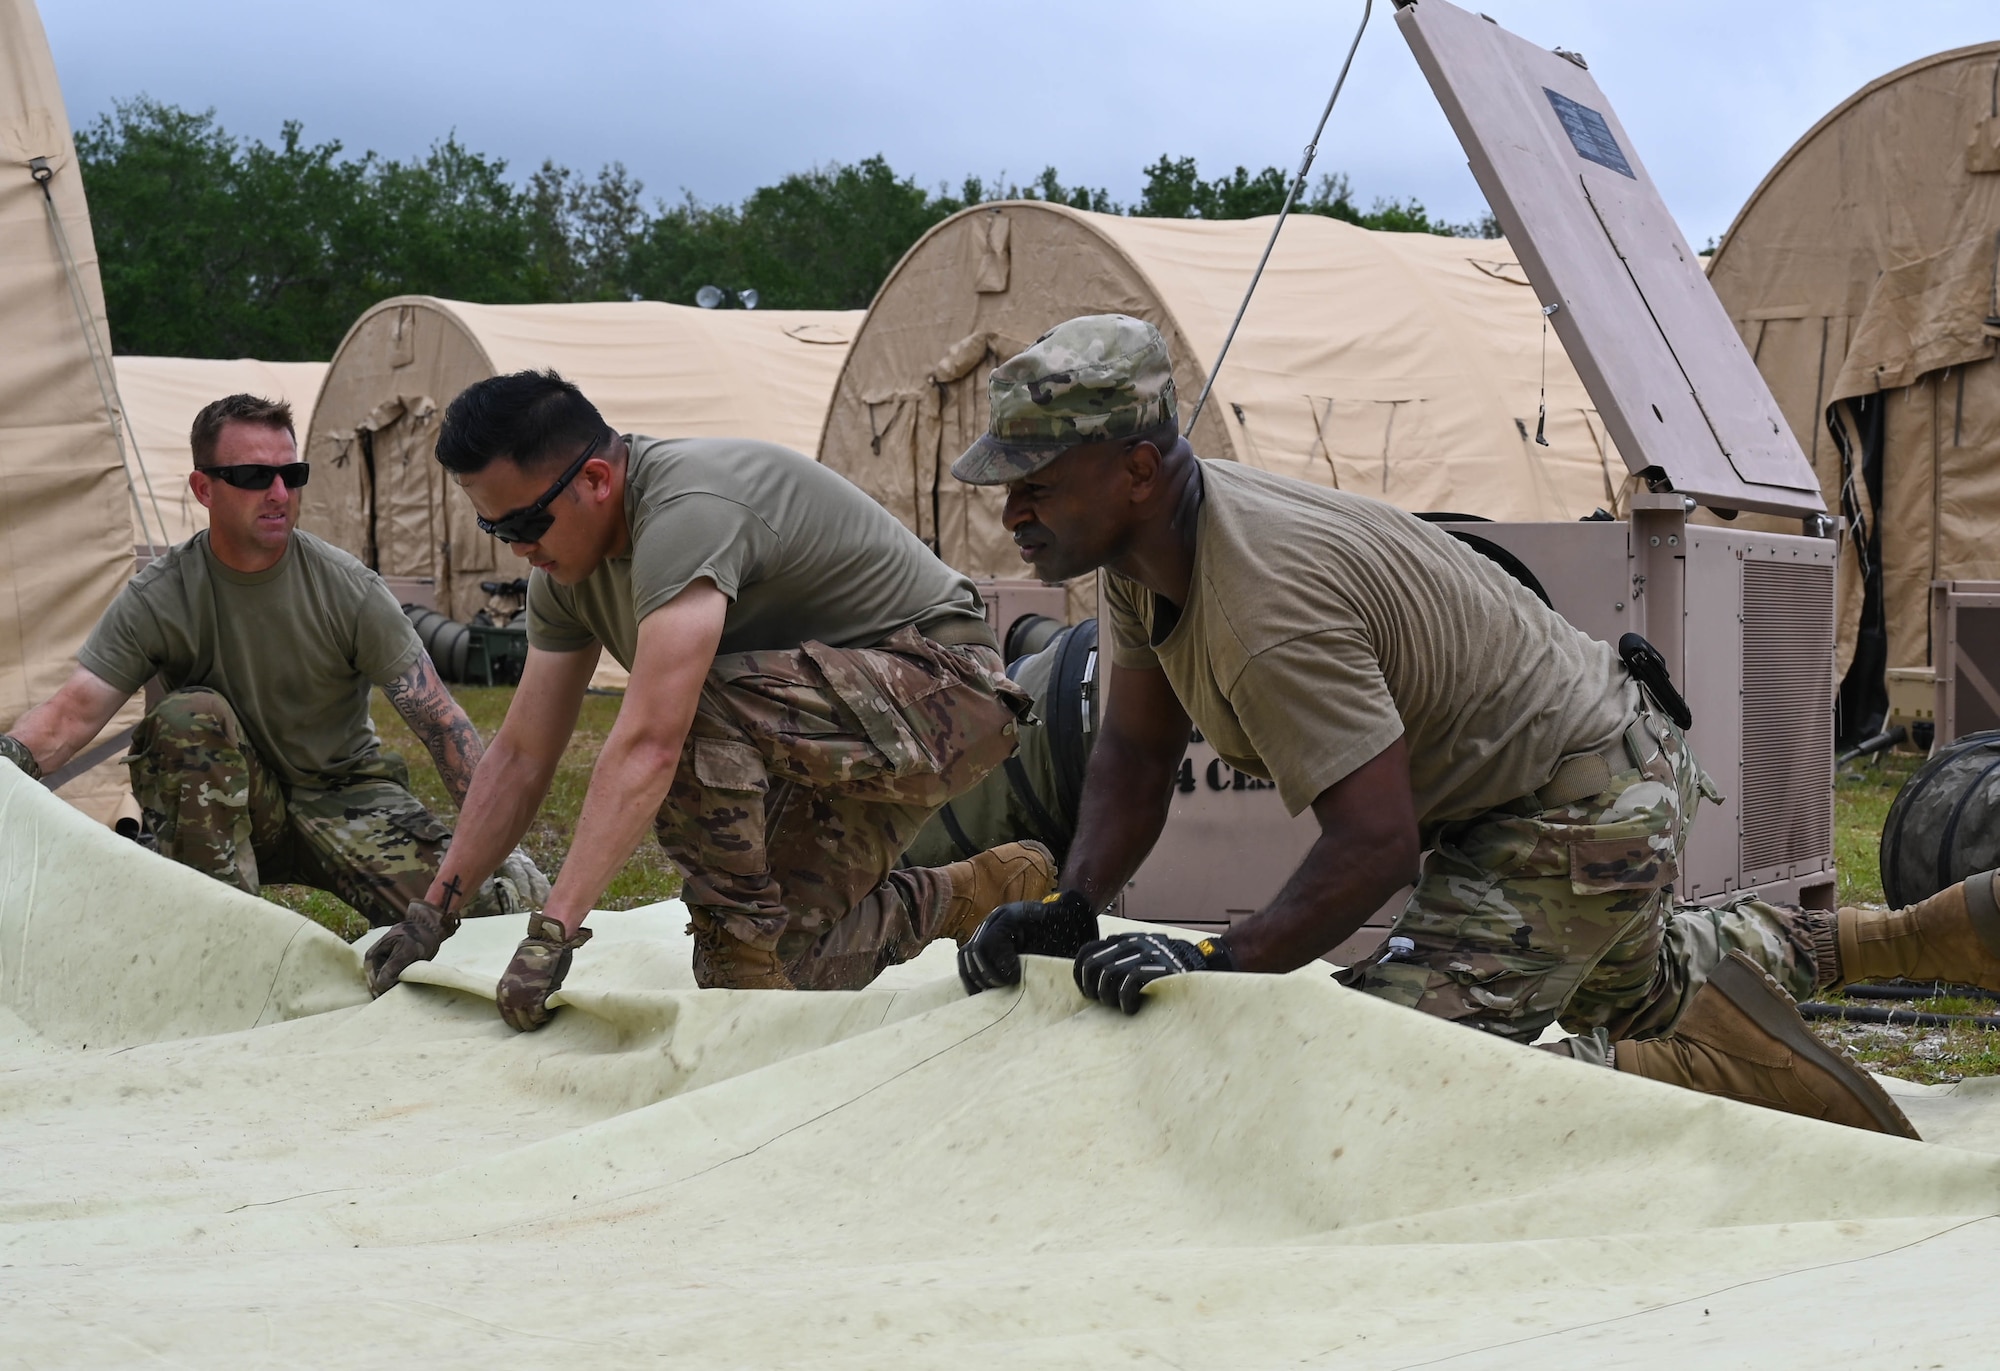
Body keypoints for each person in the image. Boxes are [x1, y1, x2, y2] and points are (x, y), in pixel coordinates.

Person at [951, 313, 2000, 1138]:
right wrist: (1073, 903)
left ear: (1135, 472)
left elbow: (1371, 846)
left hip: (1576, 802)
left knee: (1381, 1074)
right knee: (1640, 975)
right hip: (1564, 782)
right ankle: (1897, 937)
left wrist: (1221, 968)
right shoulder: (1146, 555)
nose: (1012, 515)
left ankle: (1673, 1067)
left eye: (1034, 487)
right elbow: (1133, 754)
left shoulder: (1263, 604)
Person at [362, 371, 1054, 1027]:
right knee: (779, 966)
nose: (517, 551)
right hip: (835, 729)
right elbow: (520, 755)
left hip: (951, 696)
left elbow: (653, 741)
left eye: (522, 526)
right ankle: (971, 892)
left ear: (597, 479)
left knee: (688, 709)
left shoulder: (687, 508)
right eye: (496, 531)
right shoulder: (564, 573)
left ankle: (750, 982)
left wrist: (552, 933)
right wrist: (433, 916)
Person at [0, 394, 546, 927]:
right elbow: (71, 715)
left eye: (293, 474)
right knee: (187, 715)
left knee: (473, 923)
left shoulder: (347, 588)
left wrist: (503, 850)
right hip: (230, 804)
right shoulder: (161, 596)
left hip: (345, 793)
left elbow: (440, 722)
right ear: (203, 489)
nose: (280, 493)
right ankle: (225, 931)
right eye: (254, 477)